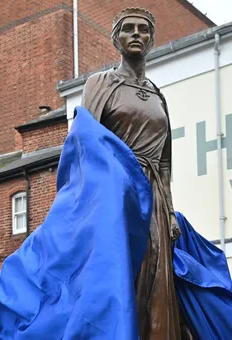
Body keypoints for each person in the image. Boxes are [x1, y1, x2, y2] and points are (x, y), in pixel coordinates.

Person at [80, 7, 192, 339]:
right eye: (128, 29)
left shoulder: (158, 95)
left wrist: (170, 211)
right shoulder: (100, 84)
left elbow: (165, 163)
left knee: (159, 280)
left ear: (152, 39)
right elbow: (85, 146)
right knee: (128, 273)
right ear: (116, 39)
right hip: (119, 191)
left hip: (155, 198)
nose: (136, 34)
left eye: (144, 29)